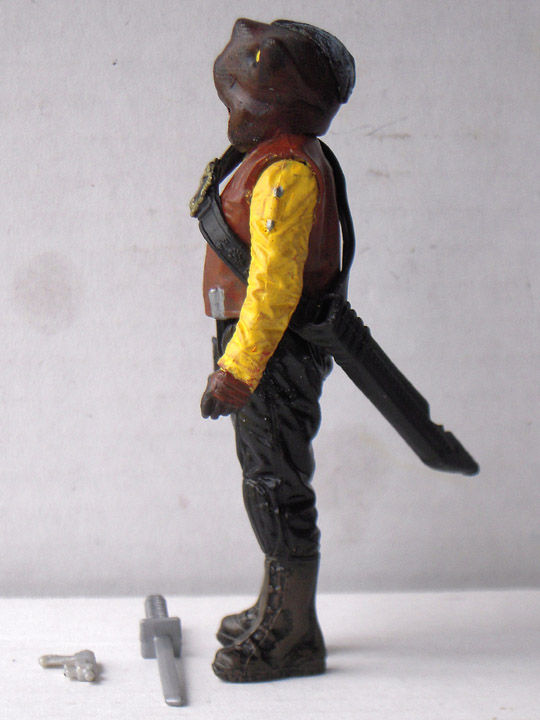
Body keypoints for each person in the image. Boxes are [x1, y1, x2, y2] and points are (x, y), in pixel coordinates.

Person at [197, 18, 355, 682]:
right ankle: (277, 608)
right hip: (264, 347)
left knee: (275, 484)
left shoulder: (285, 173)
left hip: (271, 351)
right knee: (267, 479)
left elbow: (274, 287)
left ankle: (291, 633)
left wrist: (237, 370)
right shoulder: (279, 159)